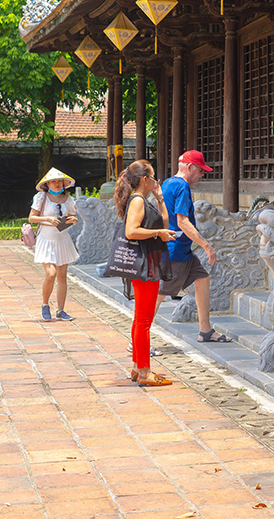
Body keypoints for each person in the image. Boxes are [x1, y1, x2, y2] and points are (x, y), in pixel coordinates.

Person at [114, 159, 179, 386]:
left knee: (142, 319)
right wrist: (157, 233)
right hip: (144, 266)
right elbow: (132, 231)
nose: (155, 181)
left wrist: (160, 197)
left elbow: (164, 221)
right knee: (144, 321)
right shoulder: (137, 201)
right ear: (145, 179)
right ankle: (144, 371)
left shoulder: (143, 200)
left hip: (148, 263)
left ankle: (136, 367)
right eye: (153, 177)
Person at [160, 150, 229, 343]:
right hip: (175, 252)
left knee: (203, 279)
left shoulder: (168, 183)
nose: (201, 175)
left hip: (180, 250)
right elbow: (182, 221)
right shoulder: (182, 187)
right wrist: (206, 245)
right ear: (190, 167)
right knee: (157, 295)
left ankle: (205, 330)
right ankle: (137, 338)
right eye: (200, 170)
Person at [29, 168, 80, 322]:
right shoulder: (41, 197)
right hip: (46, 239)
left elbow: (72, 217)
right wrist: (48, 219)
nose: (57, 184)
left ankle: (61, 310)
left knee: (62, 276)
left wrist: (74, 220)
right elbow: (31, 218)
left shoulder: (69, 200)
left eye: (59, 181)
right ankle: (45, 304)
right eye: (53, 181)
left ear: (64, 183)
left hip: (62, 239)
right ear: (47, 184)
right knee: (51, 275)